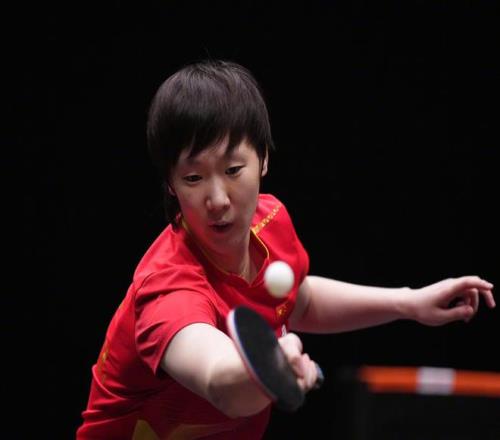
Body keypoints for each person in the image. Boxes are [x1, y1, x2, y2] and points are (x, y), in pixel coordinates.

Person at [77, 59, 495, 439]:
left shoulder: (271, 221)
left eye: (233, 169)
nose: (217, 199)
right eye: (193, 178)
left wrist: (409, 302)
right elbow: (220, 382)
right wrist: (270, 364)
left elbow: (298, 302)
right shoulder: (167, 287)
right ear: (170, 184)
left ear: (263, 159)